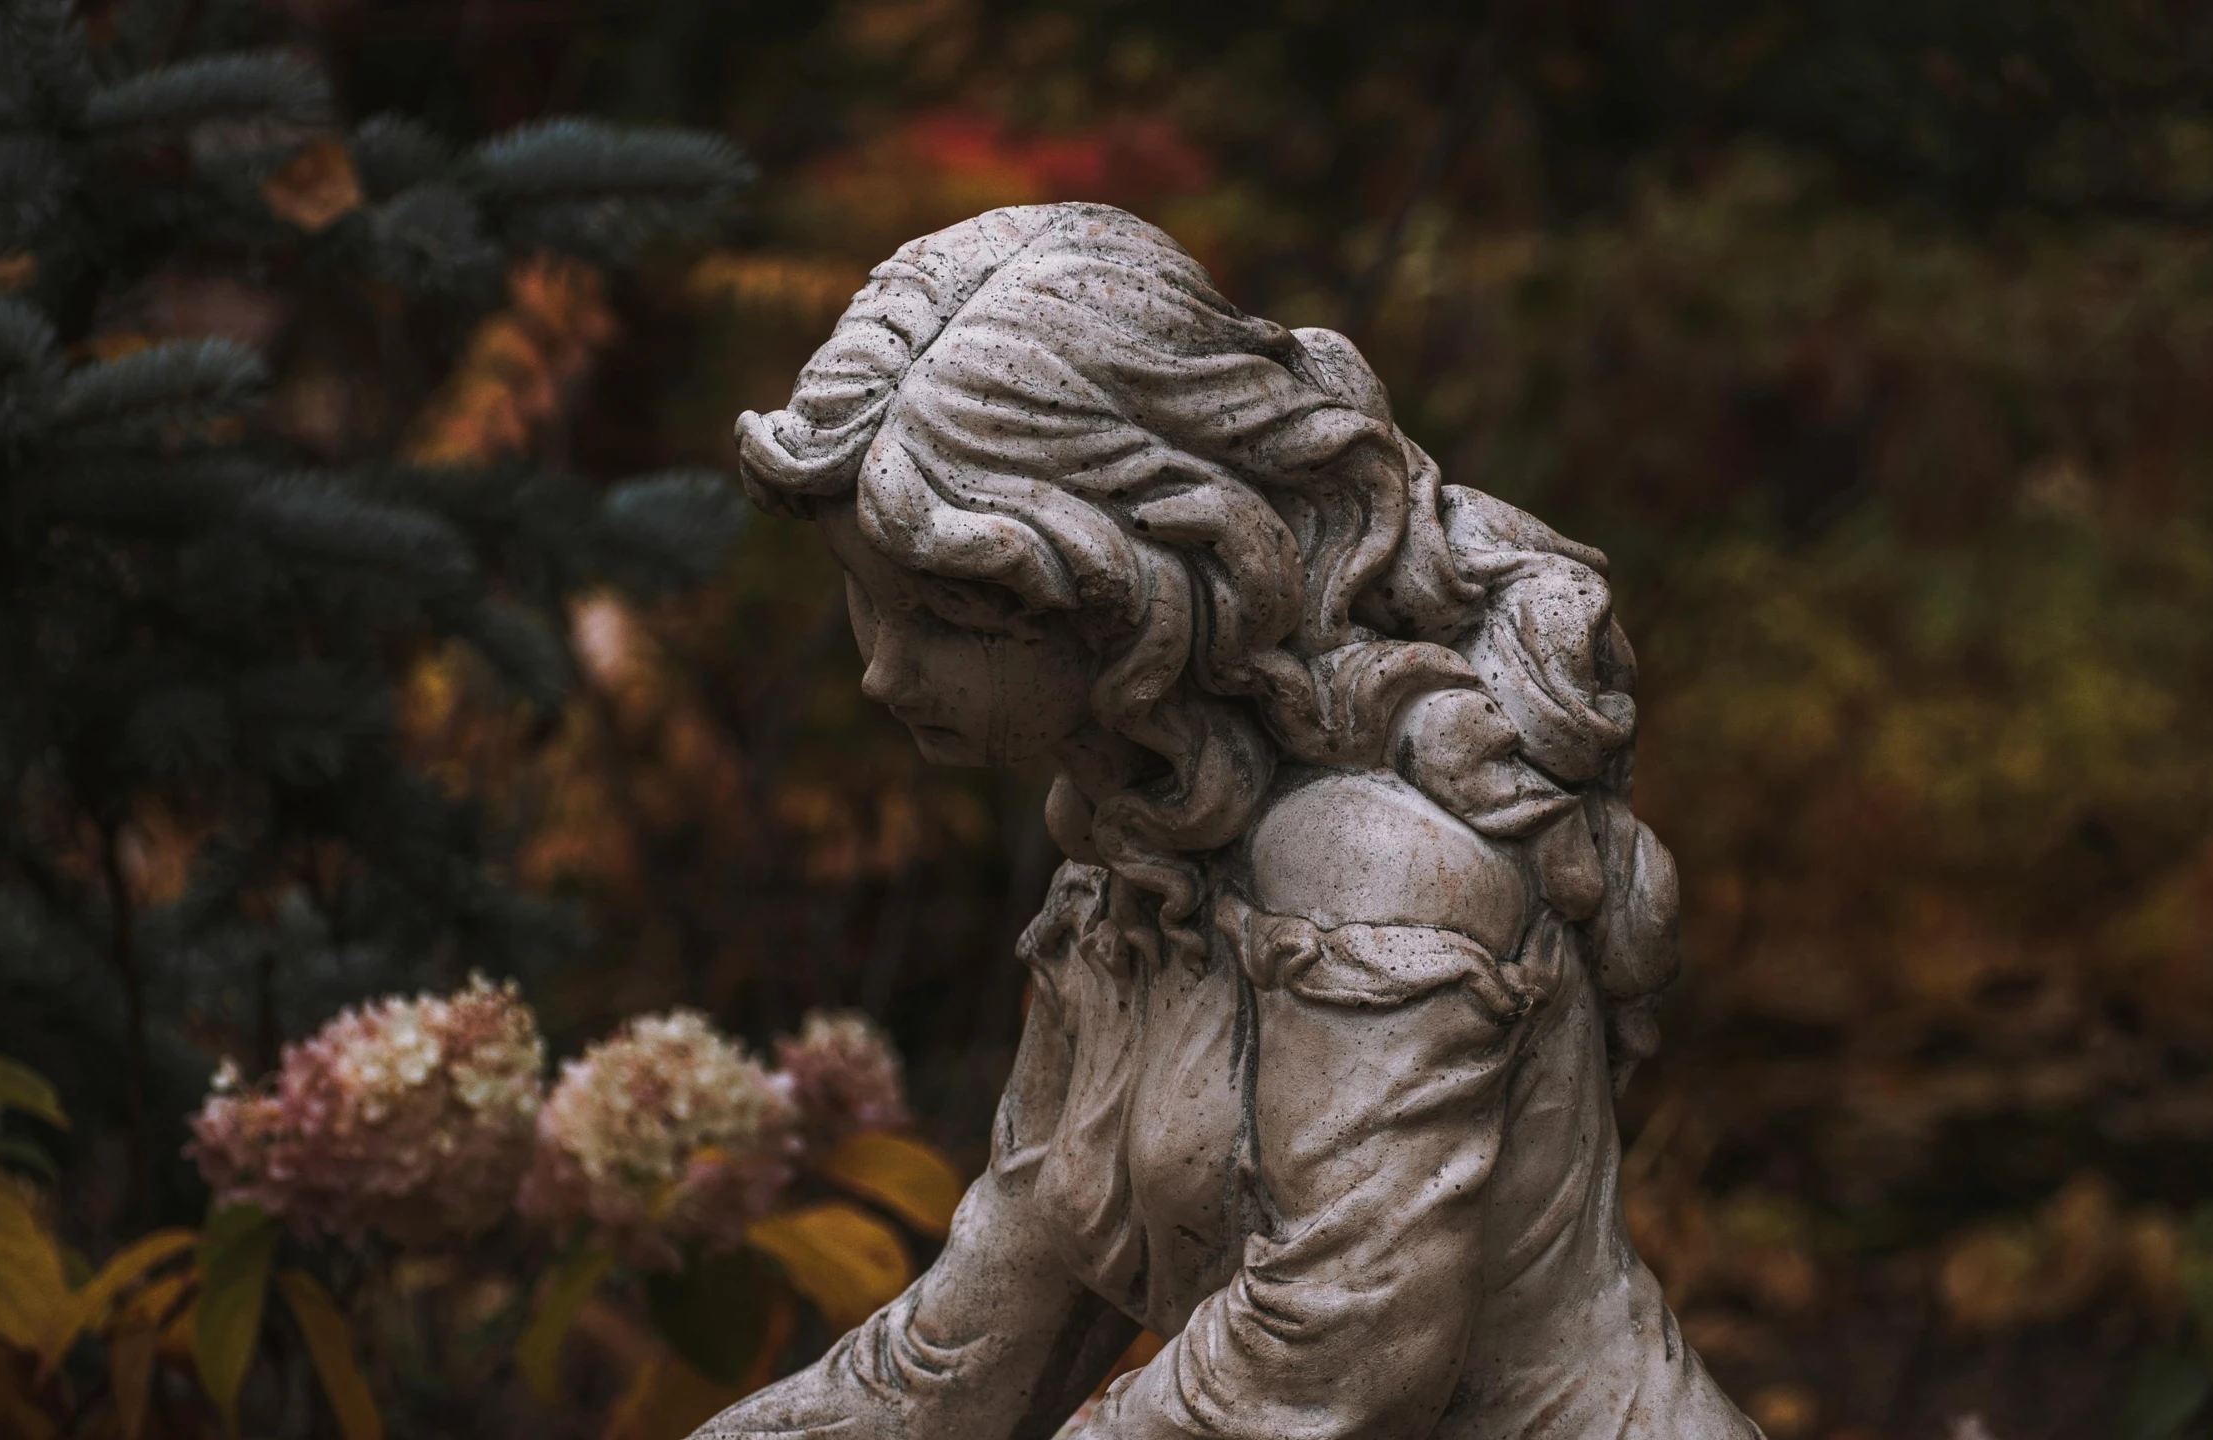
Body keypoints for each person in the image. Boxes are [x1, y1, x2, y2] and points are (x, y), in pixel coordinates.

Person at [706, 203, 1757, 1440]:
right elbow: (974, 1344)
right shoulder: (1134, 857)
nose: (885, 673)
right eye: (865, 604)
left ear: (1138, 587)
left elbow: (1326, 1362)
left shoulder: (1379, 866)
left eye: (951, 620)